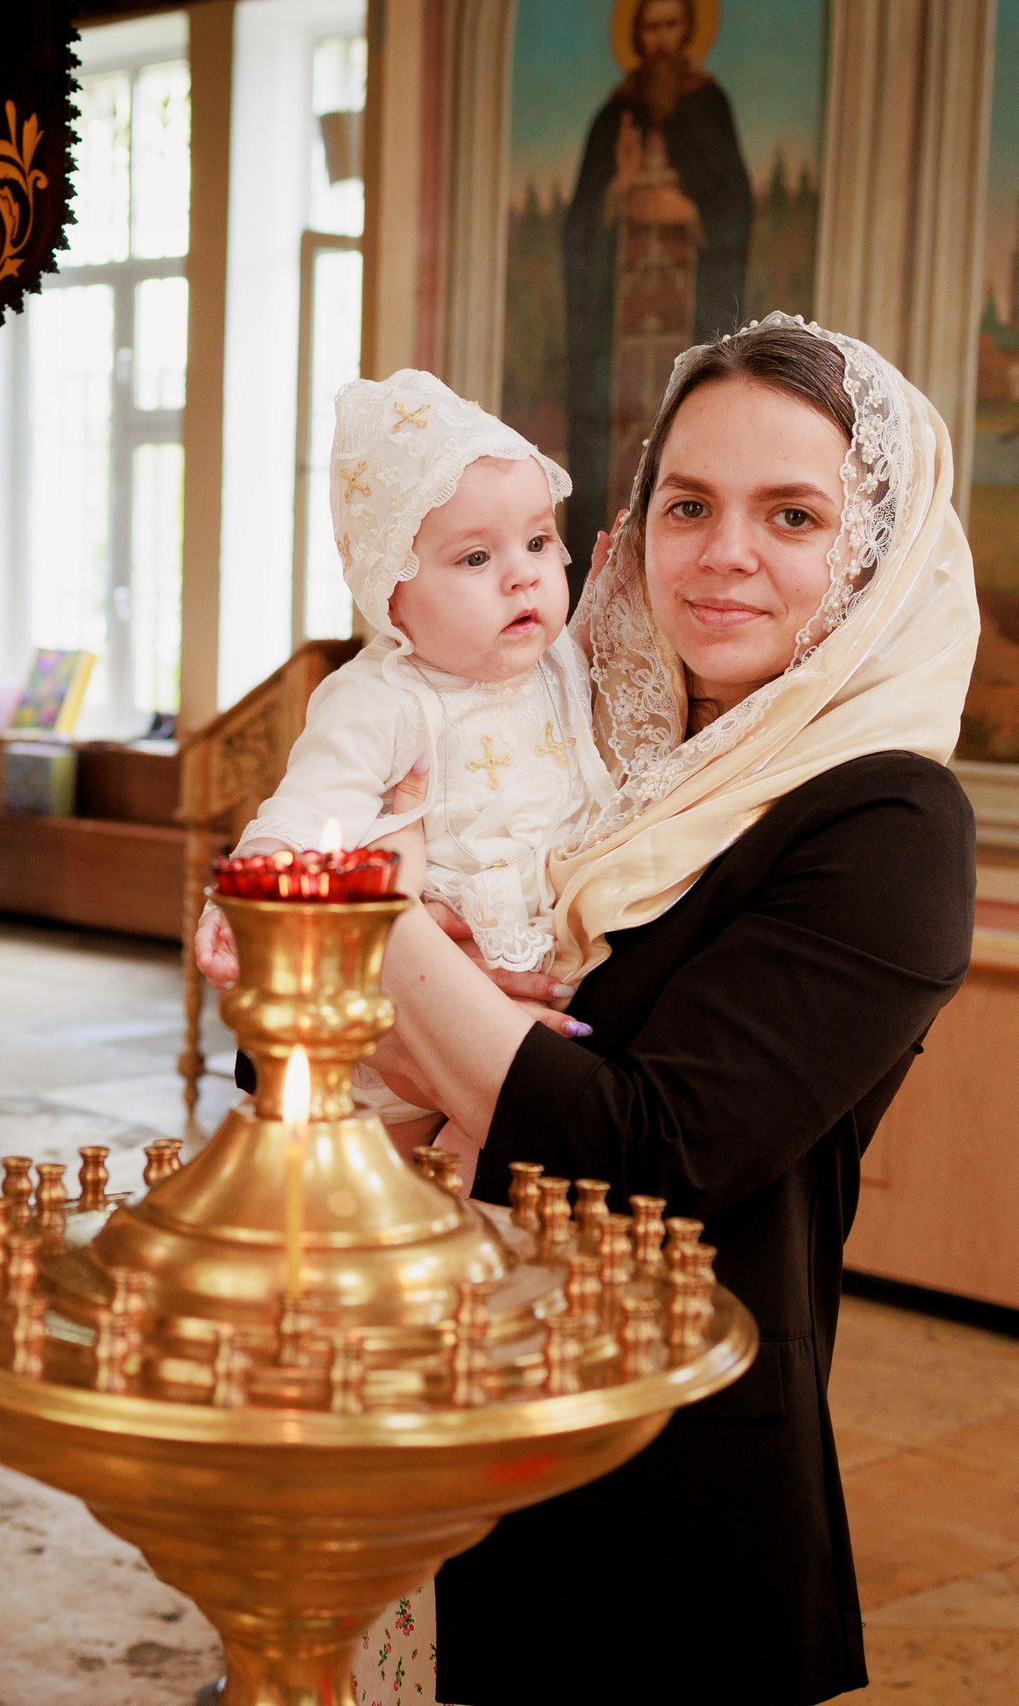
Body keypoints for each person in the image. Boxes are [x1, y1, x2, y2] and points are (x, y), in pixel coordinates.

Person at [366, 315, 978, 1705]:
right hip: (424, 1398)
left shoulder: (884, 819)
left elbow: (647, 1153)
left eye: (792, 514)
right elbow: (284, 1040)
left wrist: (372, 922)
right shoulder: (572, 750)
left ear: (873, 550)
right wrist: (409, 994)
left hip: (648, 1486)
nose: (721, 554)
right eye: (687, 504)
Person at [195, 371, 607, 1174]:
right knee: (373, 1188)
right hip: (411, 1004)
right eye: (476, 556)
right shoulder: (382, 696)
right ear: (391, 598)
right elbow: (312, 803)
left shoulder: (559, 663)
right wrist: (254, 886)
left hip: (526, 996)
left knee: (491, 1176)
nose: (523, 575)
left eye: (537, 543)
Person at [563, 0, 752, 582]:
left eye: (672, 26)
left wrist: (689, 212)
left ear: (688, 32)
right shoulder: (613, 116)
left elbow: (735, 209)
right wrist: (617, 190)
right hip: (617, 329)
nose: (662, 40)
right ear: (637, 35)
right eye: (652, 28)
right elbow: (579, 226)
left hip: (687, 313)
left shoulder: (708, 106)